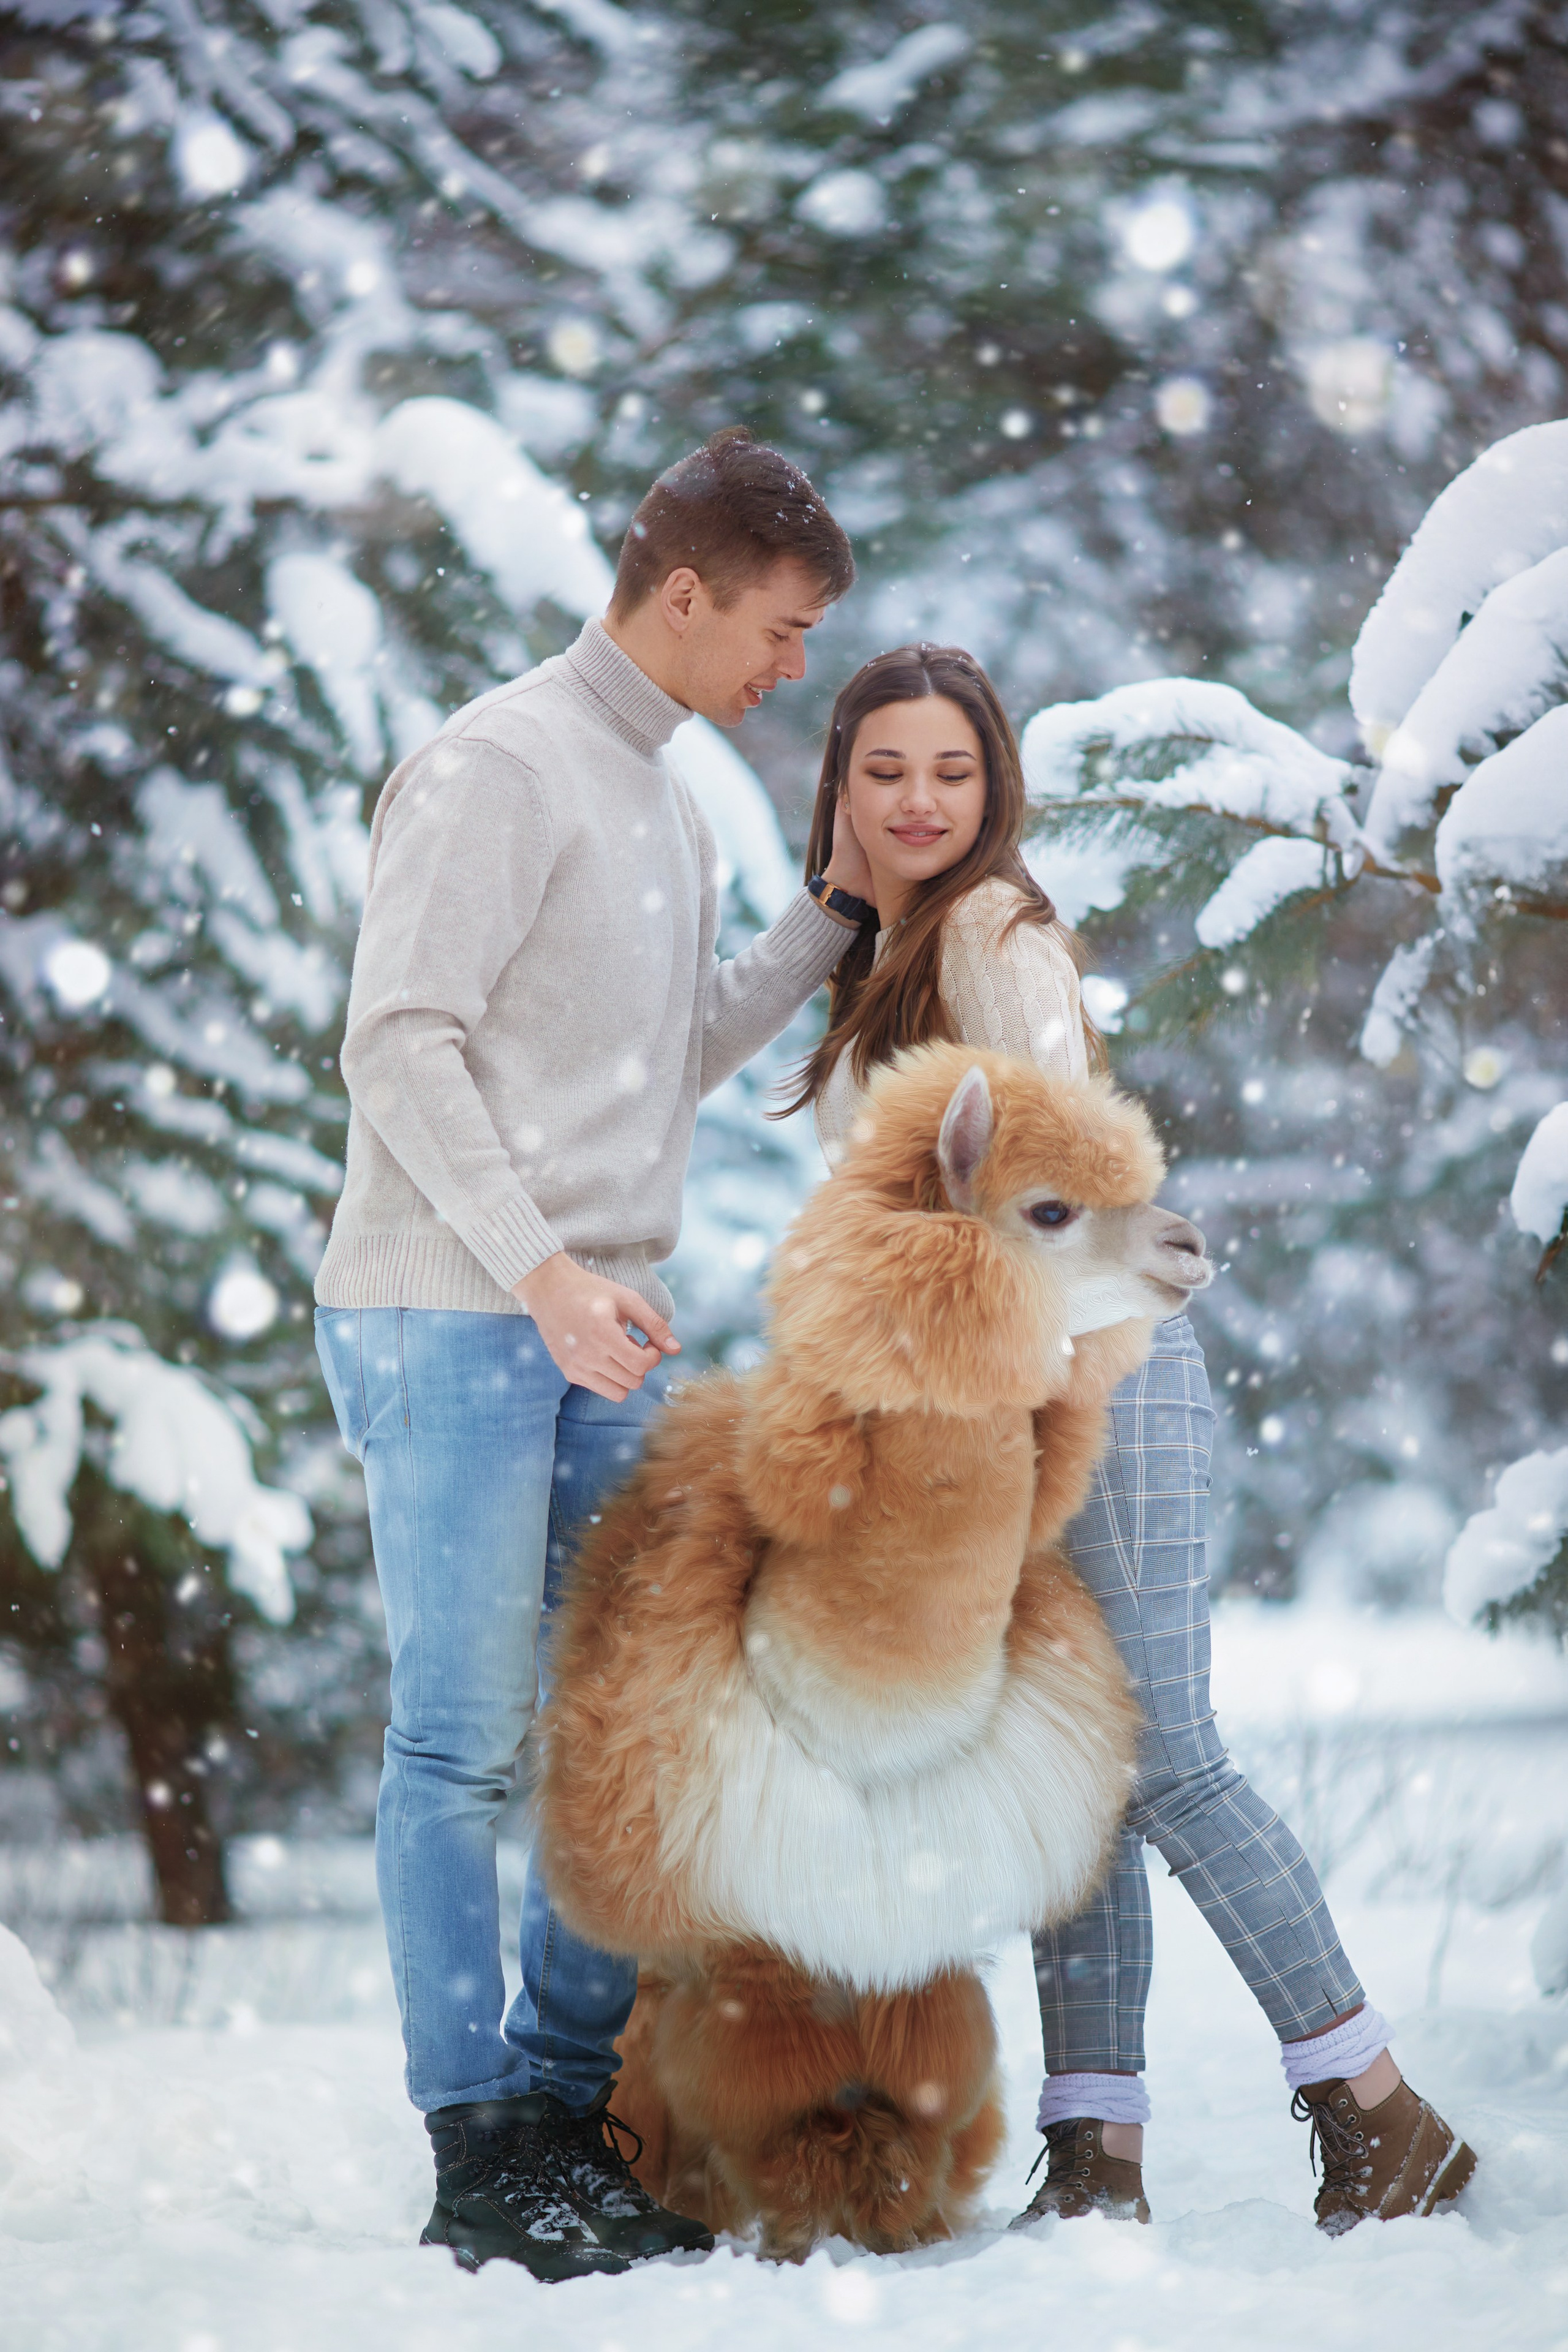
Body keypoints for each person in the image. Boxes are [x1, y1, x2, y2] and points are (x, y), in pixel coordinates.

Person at [794, 641, 1477, 2237]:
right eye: (884, 769)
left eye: (950, 772)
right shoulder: (884, 952)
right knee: (1075, 1779)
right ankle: (1096, 2161)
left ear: (994, 790)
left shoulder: (994, 930)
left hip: (1097, 1383)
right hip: (993, 1417)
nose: (917, 799)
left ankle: (1380, 2112)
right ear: (842, 785)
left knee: (1163, 1756)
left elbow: (1058, 1173)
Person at [313, 429, 874, 2281]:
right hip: (455, 1308)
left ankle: (564, 2112)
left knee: (631, 1733)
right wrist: (542, 1270)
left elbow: (662, 1058)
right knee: (465, 1742)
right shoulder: (494, 767)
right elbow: (399, 1043)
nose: (790, 671)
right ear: (686, 592)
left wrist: (838, 920)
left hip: (590, 1319)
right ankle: (477, 2149)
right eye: (780, 634)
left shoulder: (667, 800)